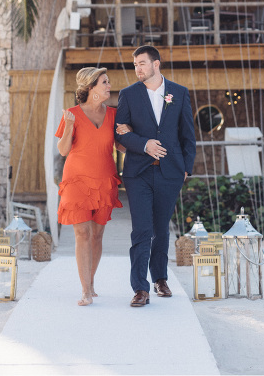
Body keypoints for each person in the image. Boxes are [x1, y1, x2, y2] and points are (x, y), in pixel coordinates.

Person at [114, 45, 196, 307]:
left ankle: (160, 278)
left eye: (142, 63)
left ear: (156, 64)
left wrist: (186, 167)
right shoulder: (128, 95)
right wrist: (144, 144)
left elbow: (188, 135)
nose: (138, 68)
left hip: (170, 172)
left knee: (161, 228)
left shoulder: (179, 93)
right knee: (142, 229)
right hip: (138, 173)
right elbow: (120, 133)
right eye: (135, 64)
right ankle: (140, 288)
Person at [55, 67, 123, 306]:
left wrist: (134, 138)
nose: (109, 86)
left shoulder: (114, 115)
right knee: (82, 234)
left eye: (108, 81)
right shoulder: (71, 114)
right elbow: (63, 150)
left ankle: (91, 283)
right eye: (104, 82)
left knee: (97, 235)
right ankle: (85, 290)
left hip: (105, 181)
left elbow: (122, 146)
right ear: (90, 88)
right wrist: (71, 126)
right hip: (77, 182)